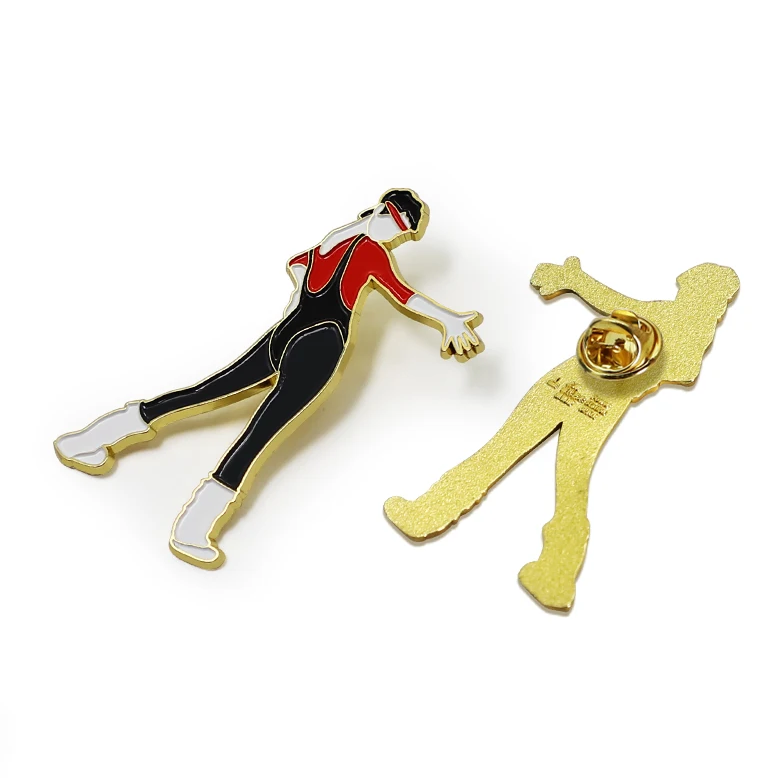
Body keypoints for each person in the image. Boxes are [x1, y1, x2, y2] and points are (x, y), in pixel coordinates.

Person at [55, 189, 484, 568]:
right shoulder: (367, 250)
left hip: (290, 334)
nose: (396, 234)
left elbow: (302, 272)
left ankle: (92, 440)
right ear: (382, 213)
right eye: (396, 223)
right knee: (254, 432)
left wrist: (295, 316)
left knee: (208, 397)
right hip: (318, 344)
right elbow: (403, 294)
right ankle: (192, 528)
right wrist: (448, 320)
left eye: (403, 230)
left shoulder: (334, 245)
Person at [384, 256, 739, 611]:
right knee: (519, 460)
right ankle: (437, 515)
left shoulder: (690, 328)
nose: (683, 289)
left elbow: (673, 359)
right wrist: (575, 281)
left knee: (554, 477)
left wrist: (577, 282)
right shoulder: (678, 320)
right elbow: (623, 308)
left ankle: (549, 570)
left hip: (592, 396)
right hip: (574, 385)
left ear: (702, 293)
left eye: (690, 285)